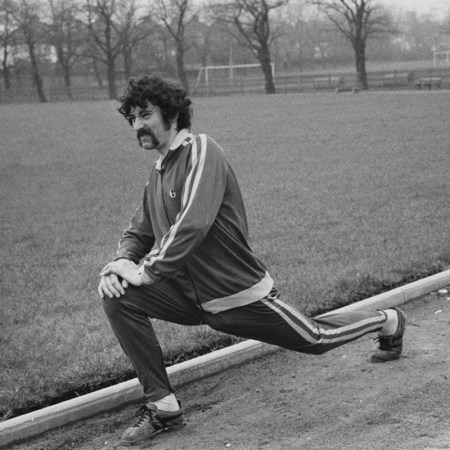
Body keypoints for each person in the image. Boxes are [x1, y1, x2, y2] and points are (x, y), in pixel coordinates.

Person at [98, 75, 407, 446]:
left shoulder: (201, 151)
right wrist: (118, 266)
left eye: (145, 114)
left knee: (317, 337)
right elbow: (138, 231)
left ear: (173, 114)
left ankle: (387, 320)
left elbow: (193, 222)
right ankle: (163, 406)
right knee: (118, 297)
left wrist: (145, 271)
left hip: (237, 296)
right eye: (131, 118)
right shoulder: (158, 174)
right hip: (187, 297)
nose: (137, 126)